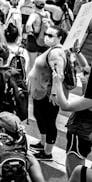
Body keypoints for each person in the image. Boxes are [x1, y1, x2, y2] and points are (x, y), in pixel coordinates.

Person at [27, 24, 67, 161]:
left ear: (59, 38)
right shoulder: (52, 49)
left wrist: (54, 94)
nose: (46, 37)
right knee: (39, 117)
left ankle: (47, 152)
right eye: (46, 34)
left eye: (51, 36)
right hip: (40, 92)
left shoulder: (55, 53)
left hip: (47, 94)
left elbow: (59, 75)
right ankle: (43, 143)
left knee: (49, 122)